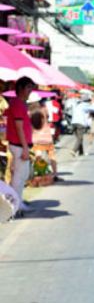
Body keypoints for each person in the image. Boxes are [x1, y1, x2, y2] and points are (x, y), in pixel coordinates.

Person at [4, 77, 36, 212]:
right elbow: (19, 127)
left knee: (22, 175)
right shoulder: (17, 103)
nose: (30, 90)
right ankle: (15, 205)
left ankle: (16, 202)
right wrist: (24, 148)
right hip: (19, 145)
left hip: (21, 145)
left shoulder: (20, 103)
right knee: (19, 176)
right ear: (21, 89)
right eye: (28, 87)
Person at [70, 91, 94, 157]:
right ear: (87, 101)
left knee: (79, 138)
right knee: (80, 138)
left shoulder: (78, 105)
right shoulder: (85, 105)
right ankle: (74, 150)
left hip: (73, 122)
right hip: (80, 123)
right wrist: (93, 101)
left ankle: (81, 152)